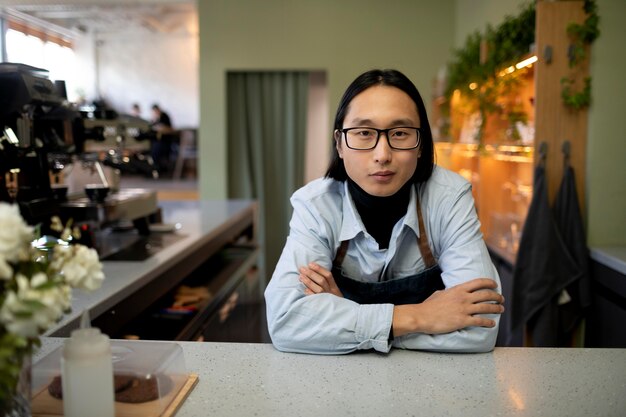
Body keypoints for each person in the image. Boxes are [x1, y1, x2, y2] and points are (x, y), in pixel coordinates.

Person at [264, 69, 504, 355]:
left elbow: (480, 329)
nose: (382, 154)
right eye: (364, 133)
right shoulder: (315, 206)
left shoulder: (449, 199)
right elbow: (285, 322)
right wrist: (420, 317)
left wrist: (344, 321)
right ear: (339, 143)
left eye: (400, 133)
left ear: (421, 145)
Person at [149, 104, 175, 173]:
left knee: (156, 149)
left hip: (165, 142)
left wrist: (160, 128)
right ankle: (152, 169)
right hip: (156, 141)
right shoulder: (154, 118)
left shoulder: (164, 116)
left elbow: (170, 130)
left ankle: (157, 169)